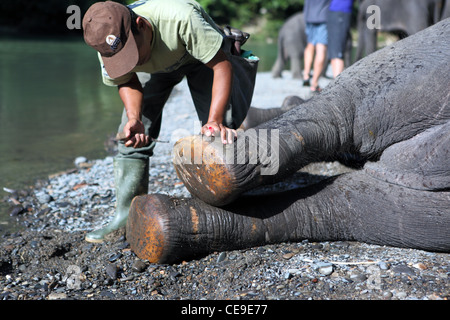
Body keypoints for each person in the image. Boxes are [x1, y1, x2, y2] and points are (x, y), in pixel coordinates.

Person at [82, 0, 257, 242]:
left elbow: (220, 65)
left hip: (202, 58)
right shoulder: (106, 42)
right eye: (120, 58)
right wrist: (135, 118)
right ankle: (126, 216)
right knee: (130, 137)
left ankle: (231, 206)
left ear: (141, 25)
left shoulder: (180, 18)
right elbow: (127, 80)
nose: (128, 60)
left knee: (221, 131)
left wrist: (215, 121)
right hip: (154, 69)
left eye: (130, 54)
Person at [302, 0, 330, 92]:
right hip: (323, 17)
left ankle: (306, 75)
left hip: (309, 16)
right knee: (321, 49)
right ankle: (315, 83)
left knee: (310, 46)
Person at [327, 0, 354, 78]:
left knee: (337, 53)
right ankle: (337, 81)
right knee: (335, 51)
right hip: (338, 12)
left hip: (339, 11)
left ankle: (337, 82)